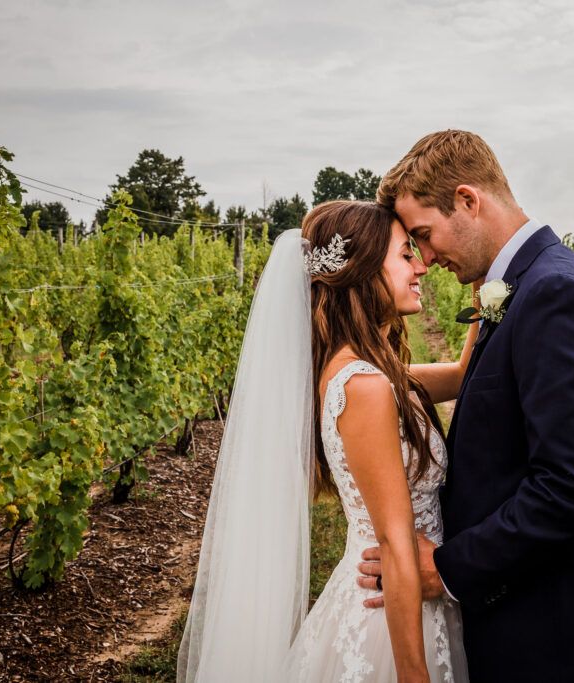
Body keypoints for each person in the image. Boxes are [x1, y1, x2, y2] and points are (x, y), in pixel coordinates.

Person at [357, 130, 574, 682]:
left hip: (550, 625)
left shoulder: (557, 295)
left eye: (424, 234)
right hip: (525, 606)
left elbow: (570, 488)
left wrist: (444, 569)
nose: (427, 256)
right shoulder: (526, 284)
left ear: (468, 200)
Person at [177, 200, 475, 682]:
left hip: (407, 594)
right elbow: (396, 544)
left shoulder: (369, 373)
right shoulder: (366, 387)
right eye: (405, 255)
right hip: (393, 614)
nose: (422, 266)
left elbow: (462, 375)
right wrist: (414, 675)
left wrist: (487, 289)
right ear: (362, 271)